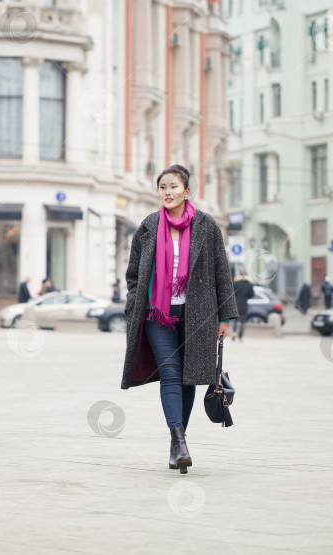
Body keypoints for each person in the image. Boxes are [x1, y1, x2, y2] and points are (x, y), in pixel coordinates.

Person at [121, 164, 238, 474]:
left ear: (187, 191)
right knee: (171, 372)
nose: (167, 192)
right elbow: (133, 274)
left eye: (173, 187)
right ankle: (178, 440)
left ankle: (178, 441)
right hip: (157, 314)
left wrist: (225, 315)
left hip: (197, 314)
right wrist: (135, 304)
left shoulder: (207, 226)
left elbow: (221, 272)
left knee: (189, 378)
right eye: (162, 187)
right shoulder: (148, 226)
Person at [231, 272, 255, 342]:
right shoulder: (249, 284)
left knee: (235, 320)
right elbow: (251, 295)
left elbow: (232, 293)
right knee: (242, 321)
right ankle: (240, 337)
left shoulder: (235, 283)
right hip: (244, 304)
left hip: (236, 303)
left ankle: (234, 332)